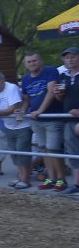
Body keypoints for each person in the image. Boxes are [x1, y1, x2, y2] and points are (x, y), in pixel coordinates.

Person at [21, 52, 66, 191]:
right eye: (29, 62)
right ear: (25, 64)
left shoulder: (50, 71)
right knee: (44, 149)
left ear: (40, 61)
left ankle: (61, 179)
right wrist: (23, 111)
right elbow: (26, 98)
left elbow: (51, 92)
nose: (32, 64)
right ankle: (51, 178)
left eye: (34, 60)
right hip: (36, 119)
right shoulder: (25, 79)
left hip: (52, 117)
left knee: (53, 148)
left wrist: (40, 110)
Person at [0, 71, 32, 189]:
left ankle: (26, 179)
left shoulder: (11, 88)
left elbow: (13, 108)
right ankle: (20, 176)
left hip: (22, 125)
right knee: (15, 153)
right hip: (8, 126)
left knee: (22, 152)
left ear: (3, 80)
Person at [54, 46, 79, 195]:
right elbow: (61, 99)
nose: (70, 59)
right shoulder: (64, 77)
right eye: (67, 57)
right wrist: (57, 94)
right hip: (68, 119)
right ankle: (76, 184)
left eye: (73, 56)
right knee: (73, 152)